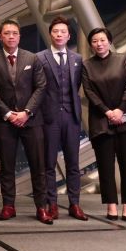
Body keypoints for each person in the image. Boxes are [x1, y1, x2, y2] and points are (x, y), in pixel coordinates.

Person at [0, 19, 52, 225]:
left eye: (14, 33)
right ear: (0, 37)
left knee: (38, 166)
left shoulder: (32, 58)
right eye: (7, 33)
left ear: (19, 36)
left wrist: (26, 112)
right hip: (5, 122)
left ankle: (41, 207)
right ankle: (8, 206)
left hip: (31, 120)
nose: (11, 36)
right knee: (6, 166)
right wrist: (8, 114)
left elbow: (41, 87)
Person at [81, 27, 126, 221]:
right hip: (101, 120)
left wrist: (120, 109)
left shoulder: (122, 60)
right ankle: (111, 205)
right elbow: (89, 92)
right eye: (94, 41)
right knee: (105, 166)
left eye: (102, 40)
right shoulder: (87, 65)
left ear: (109, 41)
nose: (99, 44)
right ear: (91, 45)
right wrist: (107, 111)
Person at [37, 16, 87, 221]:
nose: (59, 34)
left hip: (71, 116)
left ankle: (75, 204)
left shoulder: (77, 59)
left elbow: (76, 86)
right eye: (55, 31)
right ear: (50, 34)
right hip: (49, 117)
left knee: (73, 163)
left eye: (63, 31)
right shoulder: (40, 57)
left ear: (68, 35)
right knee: (49, 163)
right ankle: (52, 204)